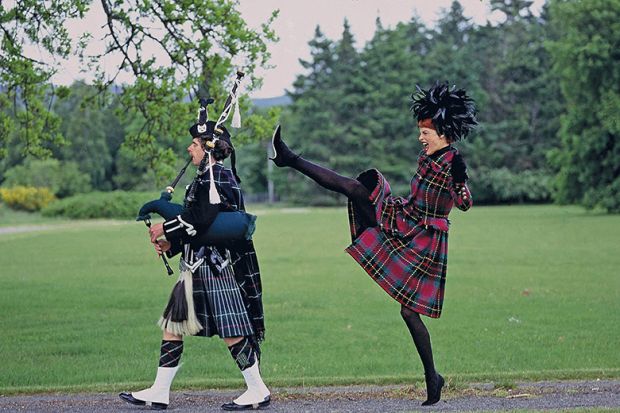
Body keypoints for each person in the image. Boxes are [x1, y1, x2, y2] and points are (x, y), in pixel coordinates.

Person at [269, 82, 476, 406]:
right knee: (354, 189)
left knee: (409, 313)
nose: (421, 137)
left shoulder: (452, 163)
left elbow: (464, 204)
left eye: (425, 132)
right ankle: (289, 158)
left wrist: (461, 181)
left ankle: (432, 378)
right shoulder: (428, 156)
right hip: (406, 218)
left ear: (443, 132)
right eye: (420, 131)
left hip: (427, 239)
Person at [119, 116, 270, 411]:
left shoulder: (219, 178)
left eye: (194, 144)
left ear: (207, 148)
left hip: (213, 267)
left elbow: (202, 220)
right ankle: (159, 391)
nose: (189, 148)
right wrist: (171, 244)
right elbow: (198, 223)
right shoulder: (206, 178)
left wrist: (165, 229)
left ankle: (257, 389)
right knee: (173, 325)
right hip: (195, 265)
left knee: (232, 328)